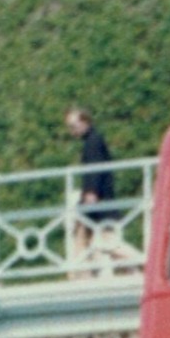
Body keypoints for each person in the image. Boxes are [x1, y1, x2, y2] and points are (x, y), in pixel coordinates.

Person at [65, 106, 117, 274]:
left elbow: (95, 170)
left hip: (96, 198)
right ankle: (81, 274)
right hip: (98, 197)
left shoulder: (93, 142)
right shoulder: (94, 140)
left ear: (85, 122)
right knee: (87, 237)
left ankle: (80, 275)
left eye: (73, 126)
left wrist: (91, 193)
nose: (72, 131)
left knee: (106, 241)